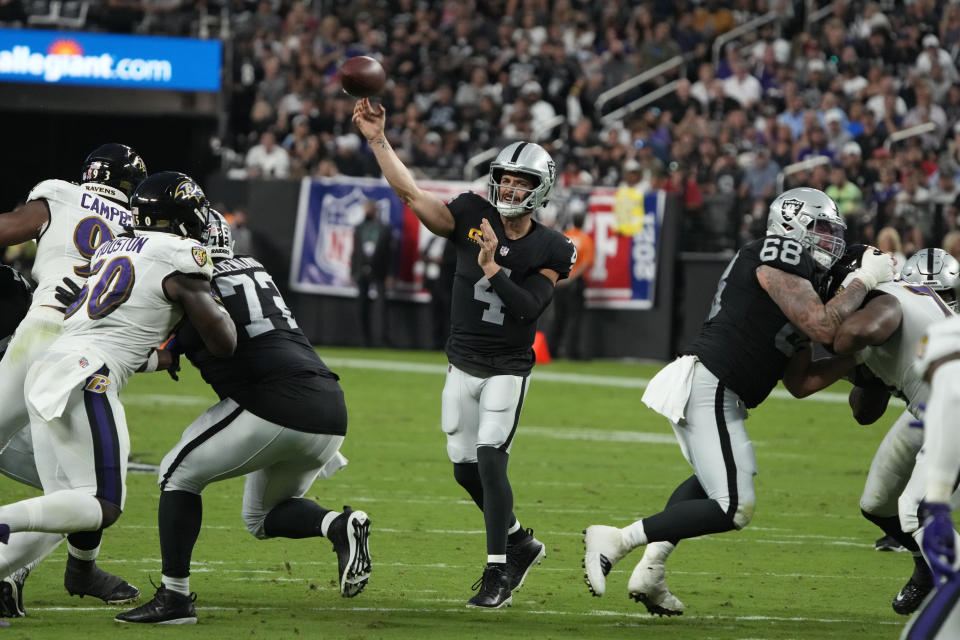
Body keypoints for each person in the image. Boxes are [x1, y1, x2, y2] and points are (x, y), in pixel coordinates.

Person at [582, 187, 897, 615]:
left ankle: (651, 570)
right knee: (734, 505)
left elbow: (801, 381)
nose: (831, 240)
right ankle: (618, 540)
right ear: (791, 224)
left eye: (834, 231)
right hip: (711, 381)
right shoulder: (779, 250)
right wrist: (863, 281)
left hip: (723, 392)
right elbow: (823, 326)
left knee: (716, 482)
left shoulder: (807, 283)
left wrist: (856, 356)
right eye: (821, 228)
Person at [353, 98, 576, 608]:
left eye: (521, 182)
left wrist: (493, 267)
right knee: (462, 467)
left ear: (539, 189)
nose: (510, 188)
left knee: (492, 461)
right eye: (506, 178)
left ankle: (498, 568)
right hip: (461, 360)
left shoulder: (551, 247)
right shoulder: (472, 211)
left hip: (507, 368)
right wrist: (377, 140)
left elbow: (528, 310)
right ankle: (520, 541)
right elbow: (412, 195)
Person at [0, 172, 236, 617]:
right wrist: (209, 306)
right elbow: (224, 342)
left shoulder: (111, 248)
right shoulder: (179, 254)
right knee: (101, 504)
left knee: (63, 506)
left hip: (46, 368)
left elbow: (114, 326)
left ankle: (7, 574)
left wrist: (159, 354)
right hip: (86, 375)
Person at [117, 212, 369, 624]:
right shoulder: (251, 267)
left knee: (176, 475)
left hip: (273, 406)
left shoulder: (185, 280)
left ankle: (175, 599)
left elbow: (165, 344)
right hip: (329, 407)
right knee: (261, 517)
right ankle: (339, 526)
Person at [0, 143, 147, 611]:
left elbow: (8, 229)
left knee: (68, 498)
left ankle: (7, 577)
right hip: (83, 349)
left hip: (37, 332)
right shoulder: (138, 229)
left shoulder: (61, 193)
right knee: (75, 497)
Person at [817, 247, 957, 616]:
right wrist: (863, 369)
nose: (941, 304)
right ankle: (926, 569)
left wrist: (827, 338)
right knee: (878, 503)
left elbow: (850, 335)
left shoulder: (889, 300)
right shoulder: (893, 309)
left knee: (917, 510)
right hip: (929, 408)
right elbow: (865, 411)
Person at [547, 202, 595, 360]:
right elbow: (585, 264)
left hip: (560, 282)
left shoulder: (565, 236)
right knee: (574, 319)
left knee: (558, 317)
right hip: (574, 283)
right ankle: (571, 352)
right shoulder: (585, 239)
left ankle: (552, 350)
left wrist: (559, 279)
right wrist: (571, 280)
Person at [351, 200, 393, 347]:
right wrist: (353, 272)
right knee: (361, 306)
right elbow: (355, 251)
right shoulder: (360, 227)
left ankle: (382, 339)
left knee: (381, 307)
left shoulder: (385, 228)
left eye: (369, 208)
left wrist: (390, 274)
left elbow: (391, 253)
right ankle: (364, 339)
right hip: (362, 270)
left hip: (379, 270)